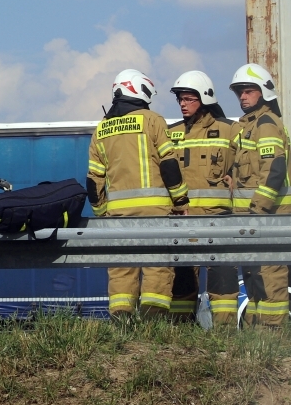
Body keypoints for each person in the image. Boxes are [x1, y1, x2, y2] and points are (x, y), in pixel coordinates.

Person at [86, 69, 190, 321]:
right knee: (157, 265)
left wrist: (102, 212)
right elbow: (169, 164)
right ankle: (153, 323)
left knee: (122, 267)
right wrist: (180, 201)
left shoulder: (101, 129)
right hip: (155, 211)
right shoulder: (153, 120)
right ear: (139, 90)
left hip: (118, 216)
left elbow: (93, 181)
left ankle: (122, 320)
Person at [166, 71, 240, 326]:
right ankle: (179, 336)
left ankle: (225, 333)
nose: (183, 104)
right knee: (182, 280)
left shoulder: (230, 130)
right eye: (180, 100)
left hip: (218, 219)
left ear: (205, 98)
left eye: (188, 99)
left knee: (222, 278)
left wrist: (235, 179)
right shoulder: (170, 133)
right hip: (183, 220)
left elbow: (247, 166)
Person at [230, 63, 291, 327]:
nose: (243, 97)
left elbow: (274, 170)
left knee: (270, 277)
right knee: (254, 277)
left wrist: (259, 208)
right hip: (252, 220)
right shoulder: (249, 126)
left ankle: (272, 336)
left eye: (249, 91)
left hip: (268, 217)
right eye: (240, 93)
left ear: (264, 92)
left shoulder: (266, 124)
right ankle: (257, 337)